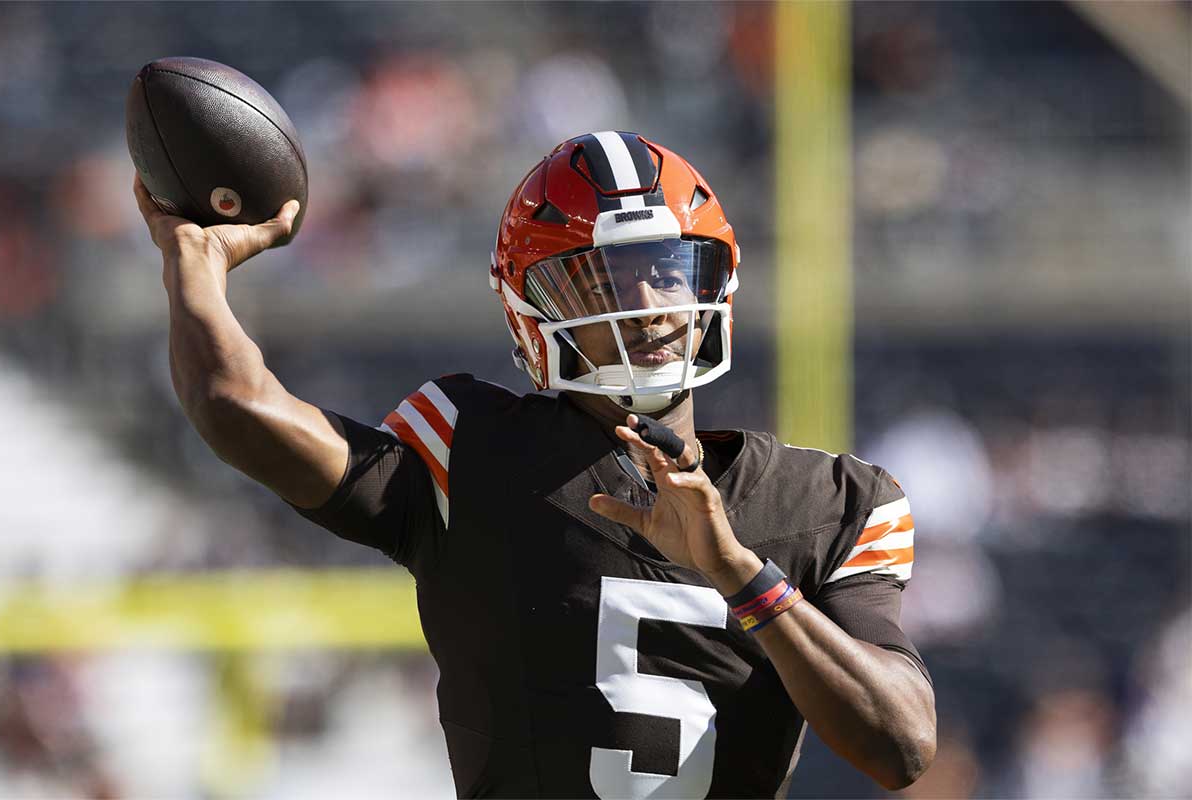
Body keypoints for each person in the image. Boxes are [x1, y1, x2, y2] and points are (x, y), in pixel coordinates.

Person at [134, 131, 936, 798]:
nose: (652, 302)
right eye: (606, 277)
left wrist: (740, 576)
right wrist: (193, 263)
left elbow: (900, 745)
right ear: (532, 308)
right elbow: (234, 405)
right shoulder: (469, 449)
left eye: (668, 267)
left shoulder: (832, 500)